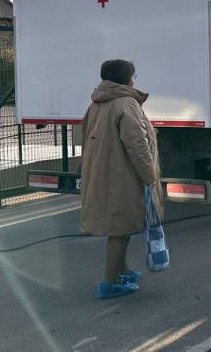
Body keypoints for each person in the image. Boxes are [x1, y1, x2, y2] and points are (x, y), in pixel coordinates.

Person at [80, 59, 164, 299]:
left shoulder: (98, 102)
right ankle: (109, 281)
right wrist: (149, 177)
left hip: (105, 171)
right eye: (134, 75)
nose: (135, 80)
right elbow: (137, 145)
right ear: (127, 79)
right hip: (122, 175)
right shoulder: (126, 103)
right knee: (120, 227)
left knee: (122, 225)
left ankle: (122, 269)